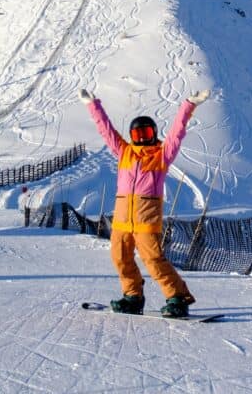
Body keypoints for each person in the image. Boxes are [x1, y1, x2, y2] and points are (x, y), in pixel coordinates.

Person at [79, 87, 210, 317]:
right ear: (132, 137)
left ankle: (177, 298)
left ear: (153, 133)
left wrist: (189, 105)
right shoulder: (125, 152)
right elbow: (106, 131)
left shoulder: (161, 156)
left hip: (146, 220)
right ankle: (132, 296)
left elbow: (176, 134)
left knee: (153, 259)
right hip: (122, 221)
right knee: (120, 258)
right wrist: (93, 105)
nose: (142, 138)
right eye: (138, 135)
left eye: (146, 133)